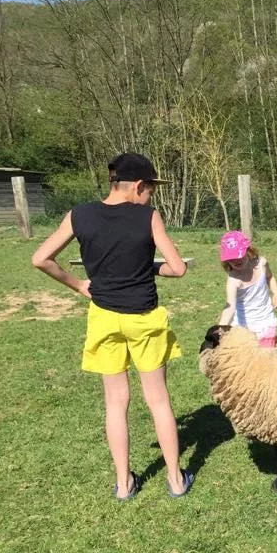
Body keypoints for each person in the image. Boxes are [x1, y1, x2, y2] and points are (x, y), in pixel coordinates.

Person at [31, 152, 193, 500]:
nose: (152, 196)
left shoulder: (79, 215)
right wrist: (148, 267)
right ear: (138, 185)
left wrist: (78, 285)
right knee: (158, 400)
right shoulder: (148, 217)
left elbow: (40, 259)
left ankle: (123, 485)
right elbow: (178, 268)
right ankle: (176, 481)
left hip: (104, 317)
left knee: (115, 402)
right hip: (144, 318)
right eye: (151, 189)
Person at [218, 231, 277, 347]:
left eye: (239, 256)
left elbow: (269, 277)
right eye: (231, 259)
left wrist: (276, 293)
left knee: (268, 360)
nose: (236, 261)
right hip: (243, 327)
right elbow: (230, 307)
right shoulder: (233, 280)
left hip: (266, 322)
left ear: (248, 251)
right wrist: (219, 329)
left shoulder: (261, 263)